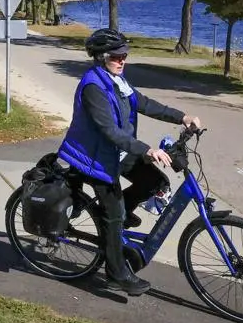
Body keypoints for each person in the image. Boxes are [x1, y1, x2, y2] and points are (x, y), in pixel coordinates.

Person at [57, 27, 202, 296]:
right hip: (94, 158)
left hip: (116, 152)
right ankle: (116, 274)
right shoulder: (93, 87)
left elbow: (144, 103)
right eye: (117, 56)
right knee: (112, 213)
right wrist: (147, 150)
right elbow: (110, 131)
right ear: (101, 57)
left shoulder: (117, 80)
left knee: (154, 181)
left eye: (125, 54)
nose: (123, 60)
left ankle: (118, 218)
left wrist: (182, 117)